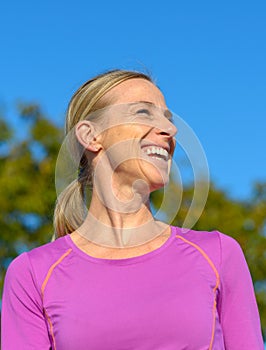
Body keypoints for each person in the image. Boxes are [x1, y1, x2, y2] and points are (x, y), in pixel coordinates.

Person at [1, 69, 264, 349]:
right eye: (143, 112)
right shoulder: (32, 274)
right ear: (91, 136)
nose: (171, 130)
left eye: (168, 118)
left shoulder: (219, 255)